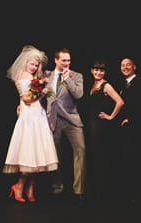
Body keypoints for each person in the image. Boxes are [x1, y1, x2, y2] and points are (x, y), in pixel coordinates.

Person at [2, 45, 58, 203]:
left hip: (37, 115)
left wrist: (41, 90)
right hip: (29, 117)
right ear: (26, 62)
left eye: (36, 65)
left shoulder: (35, 78)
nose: (34, 67)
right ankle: (18, 186)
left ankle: (30, 188)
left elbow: (33, 97)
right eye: (32, 64)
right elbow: (26, 98)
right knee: (29, 155)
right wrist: (41, 91)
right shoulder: (22, 76)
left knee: (38, 156)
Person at [46, 48, 86, 203]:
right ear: (56, 60)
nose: (66, 63)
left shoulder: (76, 75)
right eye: (63, 60)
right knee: (54, 155)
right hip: (54, 120)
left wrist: (67, 78)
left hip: (72, 120)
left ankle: (79, 190)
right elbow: (40, 94)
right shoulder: (47, 75)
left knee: (80, 150)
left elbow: (79, 94)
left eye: (68, 60)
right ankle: (56, 187)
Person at [85, 59, 124, 201]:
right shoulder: (93, 84)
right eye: (96, 69)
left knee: (101, 156)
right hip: (92, 124)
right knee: (95, 156)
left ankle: (103, 192)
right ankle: (96, 189)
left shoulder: (106, 85)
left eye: (101, 70)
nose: (98, 72)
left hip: (101, 127)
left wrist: (111, 116)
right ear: (92, 70)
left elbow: (120, 102)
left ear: (104, 72)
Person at [116, 57, 141, 201]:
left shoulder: (140, 83)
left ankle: (137, 193)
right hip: (125, 129)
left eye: (128, 65)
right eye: (122, 65)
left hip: (135, 127)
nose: (125, 67)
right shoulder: (123, 84)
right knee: (126, 159)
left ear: (134, 67)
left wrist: (131, 119)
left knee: (135, 159)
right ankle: (128, 192)